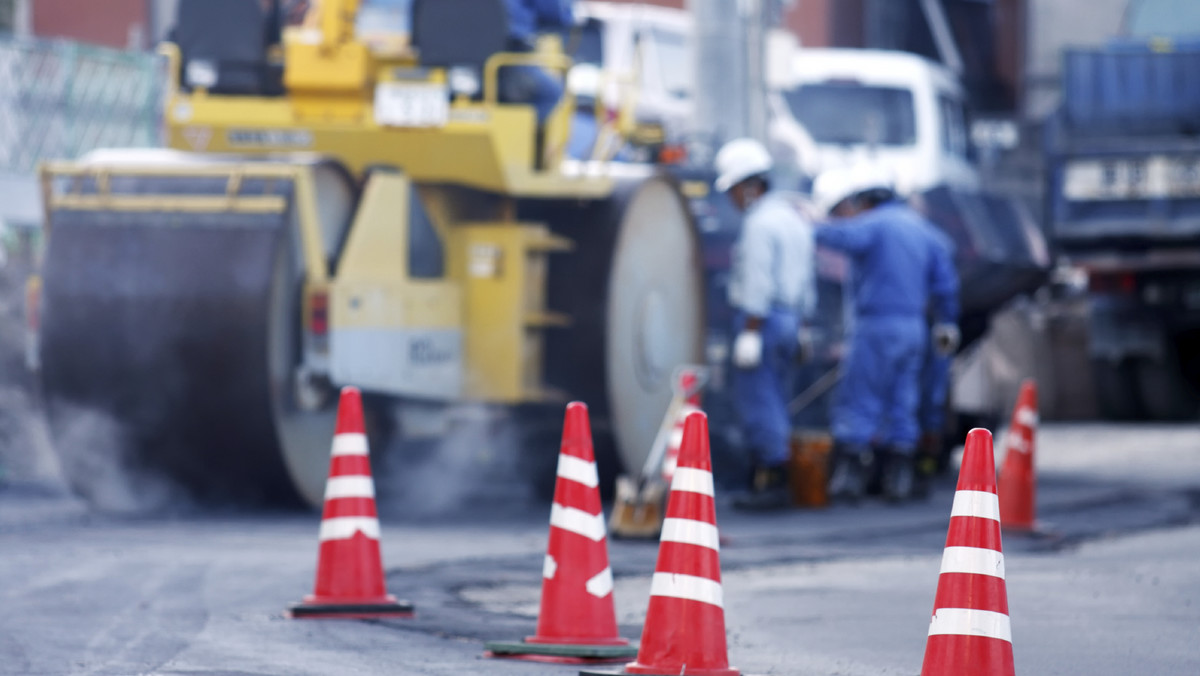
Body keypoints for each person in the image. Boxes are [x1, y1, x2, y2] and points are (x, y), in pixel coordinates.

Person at [811, 165, 959, 502]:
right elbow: (946, 281)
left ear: (867, 199)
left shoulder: (874, 225)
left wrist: (807, 224)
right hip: (914, 329)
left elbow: (839, 237)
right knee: (902, 400)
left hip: (876, 325)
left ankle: (849, 479)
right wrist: (948, 321)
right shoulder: (924, 231)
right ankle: (900, 478)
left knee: (860, 397)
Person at [713, 138, 817, 511]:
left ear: (749, 185)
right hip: (791, 319)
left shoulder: (758, 224)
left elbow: (757, 281)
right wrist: (804, 326)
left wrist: (751, 332)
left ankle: (772, 480)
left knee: (759, 400)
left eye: (733, 190)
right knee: (777, 397)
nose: (732, 200)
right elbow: (807, 280)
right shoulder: (793, 219)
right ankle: (771, 475)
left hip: (764, 320)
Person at [500, 0, 576, 124]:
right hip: (513, 55)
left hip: (469, 65)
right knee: (551, 93)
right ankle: (520, 135)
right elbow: (557, 15)